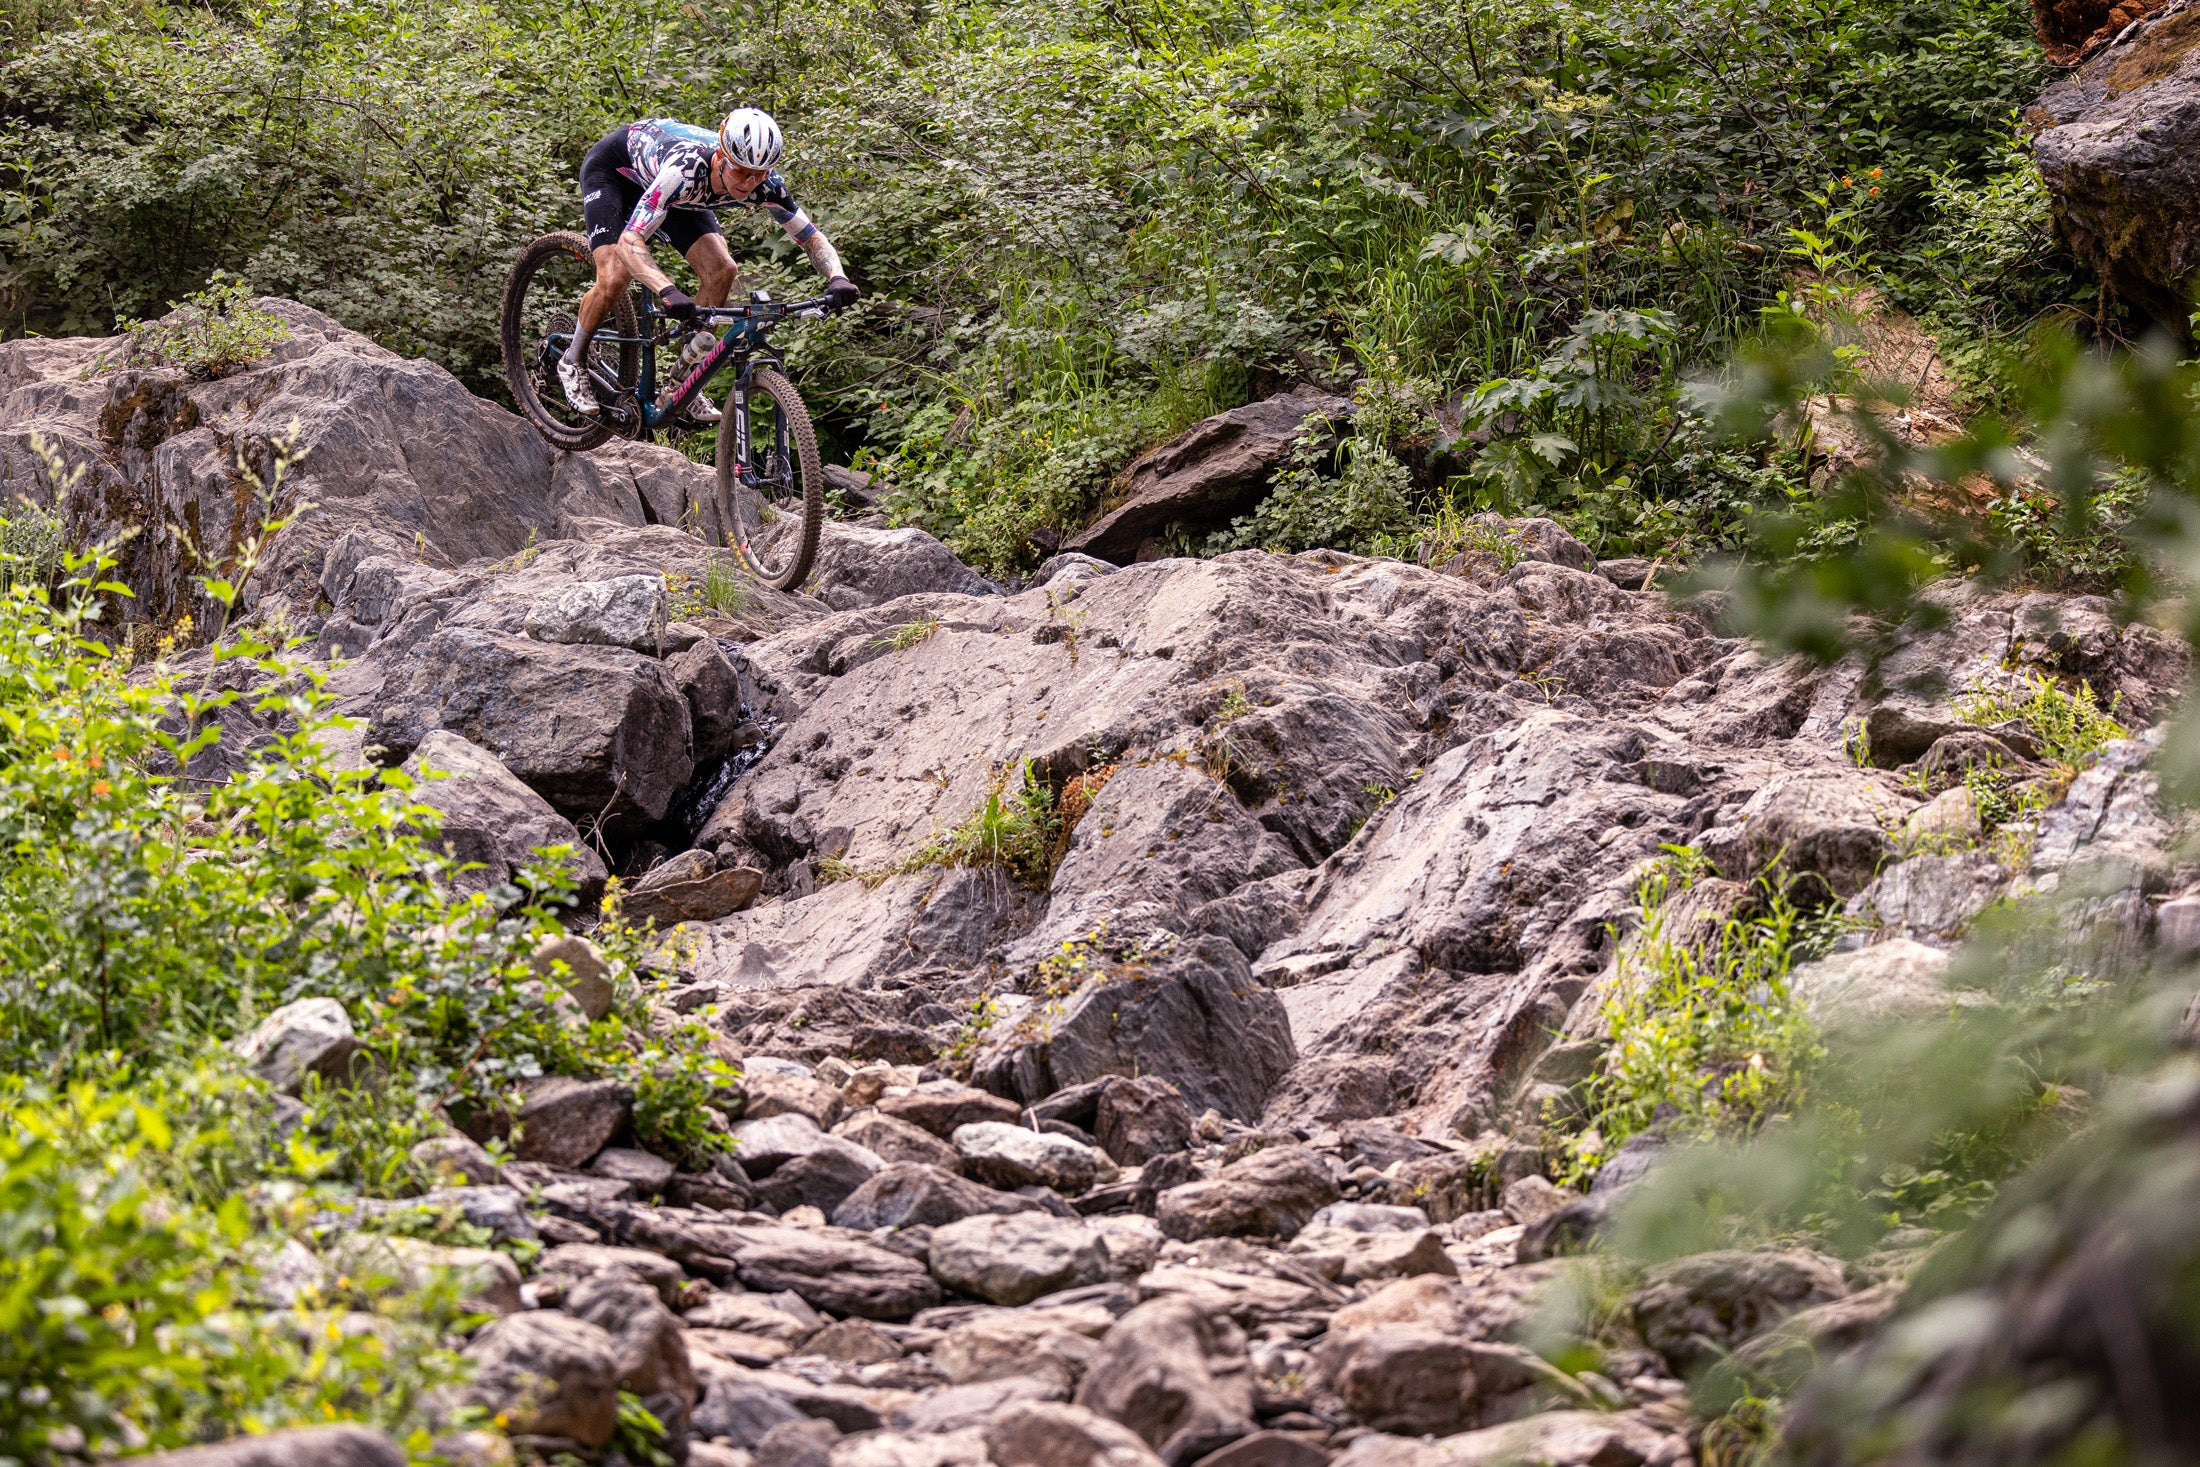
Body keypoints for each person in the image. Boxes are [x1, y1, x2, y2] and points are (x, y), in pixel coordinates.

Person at [560, 107, 859, 421]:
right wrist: (667, 290)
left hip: (680, 196)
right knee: (615, 276)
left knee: (723, 270)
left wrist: (837, 277)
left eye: (760, 173)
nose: (749, 182)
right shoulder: (685, 170)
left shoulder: (766, 184)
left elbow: (811, 238)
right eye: (741, 171)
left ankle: (681, 383)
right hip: (617, 173)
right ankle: (572, 358)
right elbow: (629, 242)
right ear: (722, 156)